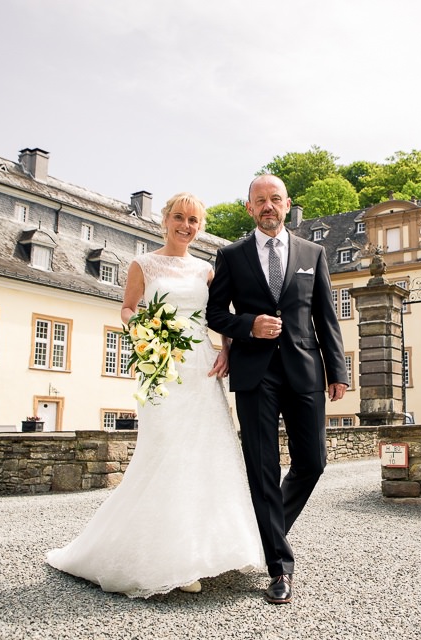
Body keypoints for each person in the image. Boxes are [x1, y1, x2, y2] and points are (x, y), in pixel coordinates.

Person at [46, 193, 263, 597]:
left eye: (194, 220)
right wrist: (143, 329)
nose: (186, 225)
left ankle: (202, 551)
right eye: (179, 217)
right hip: (161, 365)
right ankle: (168, 560)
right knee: (165, 454)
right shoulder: (142, 263)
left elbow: (219, 317)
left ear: (200, 226)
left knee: (206, 454)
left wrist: (227, 351)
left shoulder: (207, 271)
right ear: (165, 220)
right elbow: (126, 309)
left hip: (200, 366)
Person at [207, 174, 347, 605]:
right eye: (259, 200)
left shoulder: (313, 253)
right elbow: (214, 314)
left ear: (287, 205)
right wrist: (249, 325)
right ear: (249, 208)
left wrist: (337, 370)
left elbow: (326, 316)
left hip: (305, 370)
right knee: (262, 468)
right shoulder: (231, 255)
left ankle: (261, 533)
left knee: (313, 462)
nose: (268, 206)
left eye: (275, 200)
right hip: (255, 375)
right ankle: (279, 567)